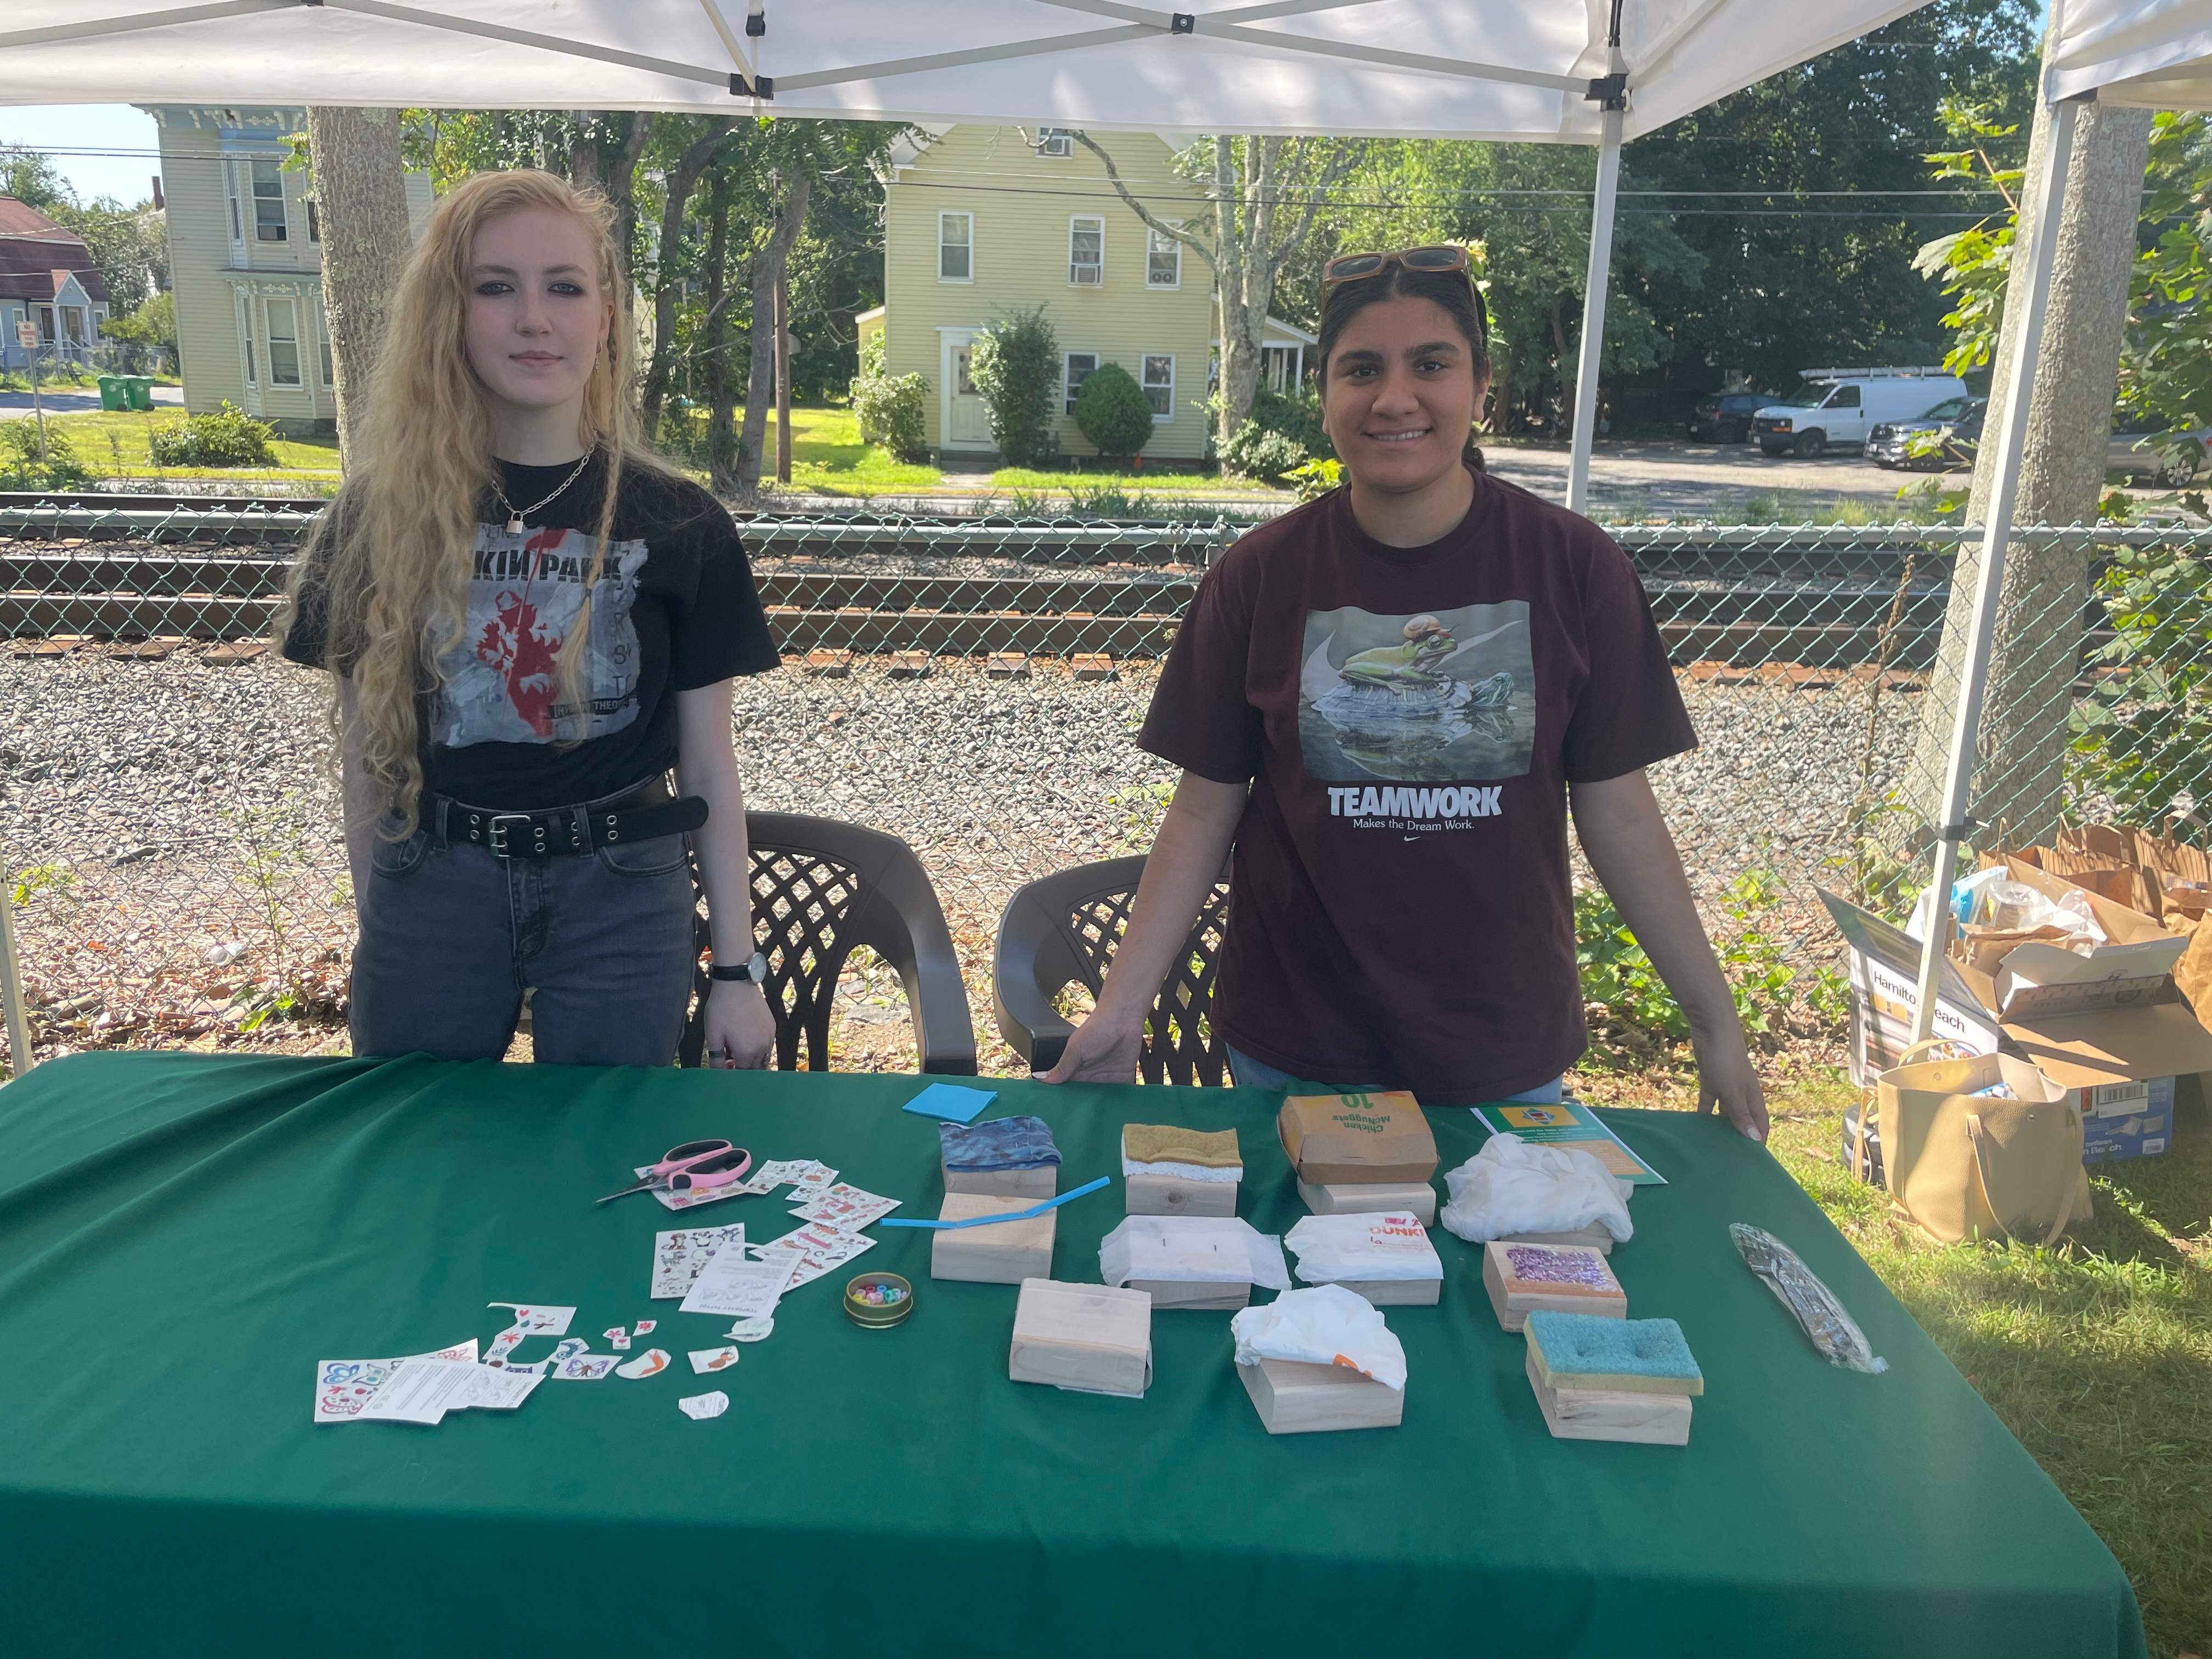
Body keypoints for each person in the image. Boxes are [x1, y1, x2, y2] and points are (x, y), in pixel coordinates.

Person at [1044, 245, 1767, 1139]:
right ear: (1325, 394)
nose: (1394, 398)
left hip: (1501, 1053)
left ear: (1481, 384)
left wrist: (1713, 1021)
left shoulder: (1577, 568)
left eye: (1431, 364)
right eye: (1361, 369)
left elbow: (1617, 812)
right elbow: (1202, 814)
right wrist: (1120, 1011)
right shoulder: (1258, 578)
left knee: (1496, 1278)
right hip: (1294, 1051)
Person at [276, 170, 781, 1070]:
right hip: (434, 883)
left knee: (605, 1157)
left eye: (565, 287)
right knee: (422, 1151)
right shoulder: (375, 517)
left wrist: (736, 970)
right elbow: (361, 750)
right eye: (496, 287)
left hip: (623, 891)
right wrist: (383, 915)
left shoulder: (681, 522)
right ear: (451, 314)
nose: (534, 318)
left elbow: (709, 761)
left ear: (605, 319)